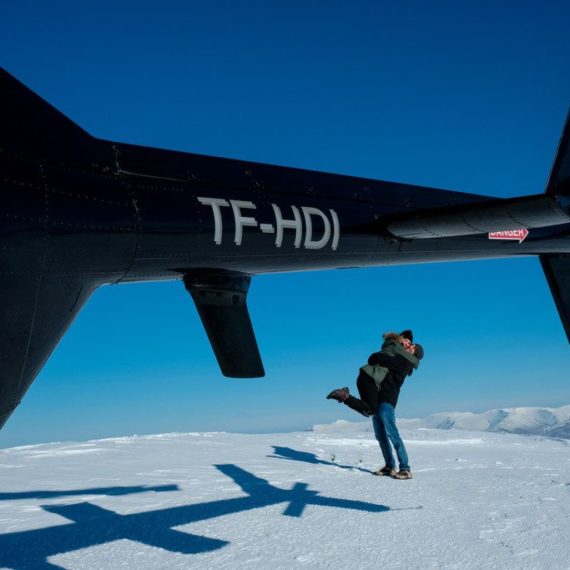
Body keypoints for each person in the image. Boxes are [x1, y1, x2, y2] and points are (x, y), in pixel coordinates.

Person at [327, 329, 424, 480]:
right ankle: (389, 466)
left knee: (393, 434)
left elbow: (379, 358)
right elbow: (381, 359)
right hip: (378, 398)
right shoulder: (399, 357)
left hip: (387, 401)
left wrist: (375, 357)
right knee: (381, 436)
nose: (409, 347)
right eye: (410, 345)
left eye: (413, 348)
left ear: (415, 355)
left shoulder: (406, 363)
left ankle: (405, 468)